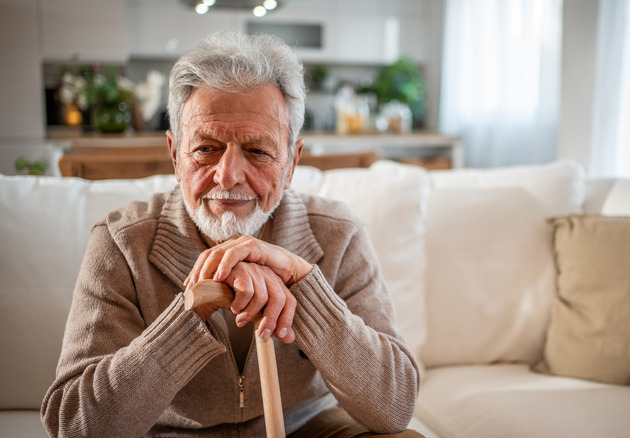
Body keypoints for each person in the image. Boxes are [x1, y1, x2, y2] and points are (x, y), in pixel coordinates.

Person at [41, 32, 421, 437]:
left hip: (307, 427)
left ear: (292, 163)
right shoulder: (120, 243)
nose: (228, 175)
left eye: (258, 151)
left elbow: (394, 407)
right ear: (174, 154)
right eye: (205, 149)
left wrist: (302, 284)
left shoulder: (338, 234)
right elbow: (75, 424)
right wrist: (195, 307)